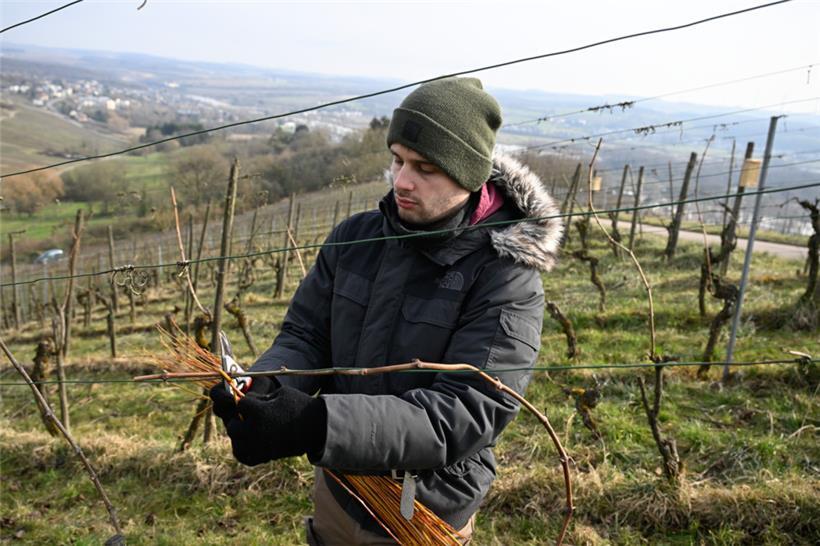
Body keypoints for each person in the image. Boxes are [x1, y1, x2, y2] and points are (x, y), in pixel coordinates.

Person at [210, 77, 563, 545]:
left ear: (469, 173)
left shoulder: (505, 276)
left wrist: (316, 424)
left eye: (425, 167)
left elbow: (466, 412)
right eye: (397, 159)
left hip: (424, 510)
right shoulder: (355, 238)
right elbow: (306, 335)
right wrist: (268, 387)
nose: (401, 180)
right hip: (338, 488)